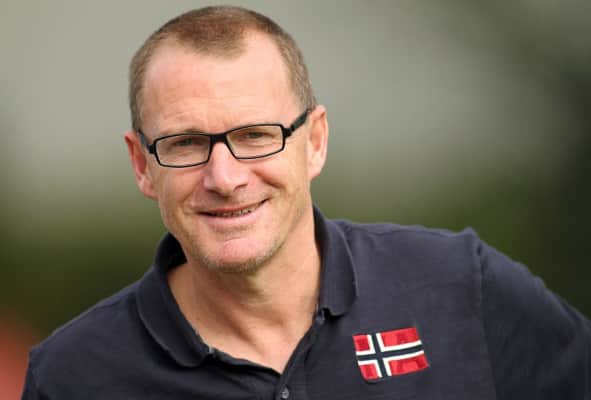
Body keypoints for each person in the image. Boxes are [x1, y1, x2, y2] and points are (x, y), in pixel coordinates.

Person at [22, 6, 590, 399]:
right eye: (186, 144)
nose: (224, 177)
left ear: (315, 141)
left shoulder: (460, 288)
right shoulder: (75, 375)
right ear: (142, 165)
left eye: (255, 135)